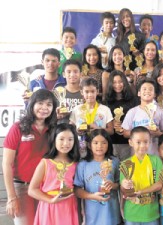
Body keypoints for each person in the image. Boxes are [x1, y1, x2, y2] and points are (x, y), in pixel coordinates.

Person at [2, 89, 57, 225]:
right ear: (32, 104)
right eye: (40, 103)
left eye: (49, 104)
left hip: (46, 189)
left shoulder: (54, 130)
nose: (44, 108)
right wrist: (11, 197)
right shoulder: (18, 128)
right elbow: (6, 164)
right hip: (22, 188)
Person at [28, 123, 80, 225]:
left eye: (70, 139)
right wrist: (51, 200)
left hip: (69, 207)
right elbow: (32, 190)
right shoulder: (45, 162)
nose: (66, 143)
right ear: (54, 140)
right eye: (61, 139)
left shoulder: (76, 163)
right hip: (49, 207)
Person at [74, 129, 121, 225]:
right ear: (89, 145)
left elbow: (120, 184)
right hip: (92, 214)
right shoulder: (83, 164)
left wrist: (113, 185)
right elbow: (77, 189)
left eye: (104, 143)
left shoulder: (114, 161)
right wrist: (91, 196)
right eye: (95, 143)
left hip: (111, 213)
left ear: (108, 144)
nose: (99, 146)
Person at [120, 126, 163, 225]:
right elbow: (122, 189)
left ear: (150, 142)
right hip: (132, 213)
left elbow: (159, 184)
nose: (142, 145)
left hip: (150, 213)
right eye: (138, 142)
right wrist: (125, 185)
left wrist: (141, 192)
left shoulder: (156, 160)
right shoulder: (125, 163)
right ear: (131, 142)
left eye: (146, 142)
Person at [122, 78, 163, 155]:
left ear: (154, 94)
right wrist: (141, 133)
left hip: (154, 154)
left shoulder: (160, 112)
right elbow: (125, 133)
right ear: (139, 93)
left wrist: (158, 133)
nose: (147, 91)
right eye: (144, 89)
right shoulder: (132, 112)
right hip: (136, 155)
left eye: (150, 89)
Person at [70, 77, 114, 157]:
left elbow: (111, 131)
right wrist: (77, 131)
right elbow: (70, 129)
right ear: (81, 92)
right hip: (81, 149)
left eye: (92, 91)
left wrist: (98, 128)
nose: (90, 95)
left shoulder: (105, 109)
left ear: (97, 91)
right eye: (86, 92)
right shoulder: (76, 109)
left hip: (100, 148)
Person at [105, 70, 137, 161]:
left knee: (127, 172)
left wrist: (126, 126)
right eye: (114, 82)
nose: (118, 85)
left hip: (128, 143)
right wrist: (112, 123)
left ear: (125, 83)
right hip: (111, 142)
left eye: (120, 82)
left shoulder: (133, 101)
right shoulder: (106, 102)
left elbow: (137, 119)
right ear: (110, 84)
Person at [56, 59, 84, 123]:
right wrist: (57, 116)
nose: (72, 74)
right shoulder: (57, 92)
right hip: (62, 130)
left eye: (75, 71)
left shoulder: (86, 93)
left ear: (81, 74)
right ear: (63, 74)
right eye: (68, 72)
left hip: (81, 130)